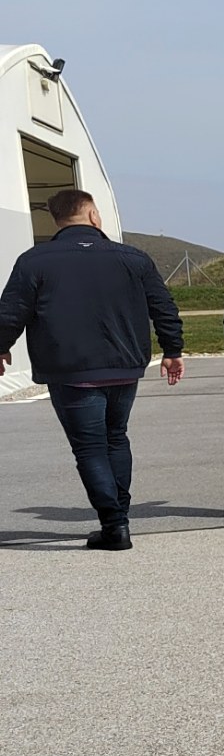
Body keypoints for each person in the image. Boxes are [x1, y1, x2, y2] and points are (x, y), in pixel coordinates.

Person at [0, 188, 184, 550]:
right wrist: (172, 349)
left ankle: (115, 525)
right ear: (93, 215)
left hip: (71, 370)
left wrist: (1, 346)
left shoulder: (34, 261)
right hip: (124, 367)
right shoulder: (133, 258)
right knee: (116, 437)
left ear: (56, 220)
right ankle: (120, 517)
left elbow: (11, 312)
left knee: (89, 448)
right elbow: (163, 306)